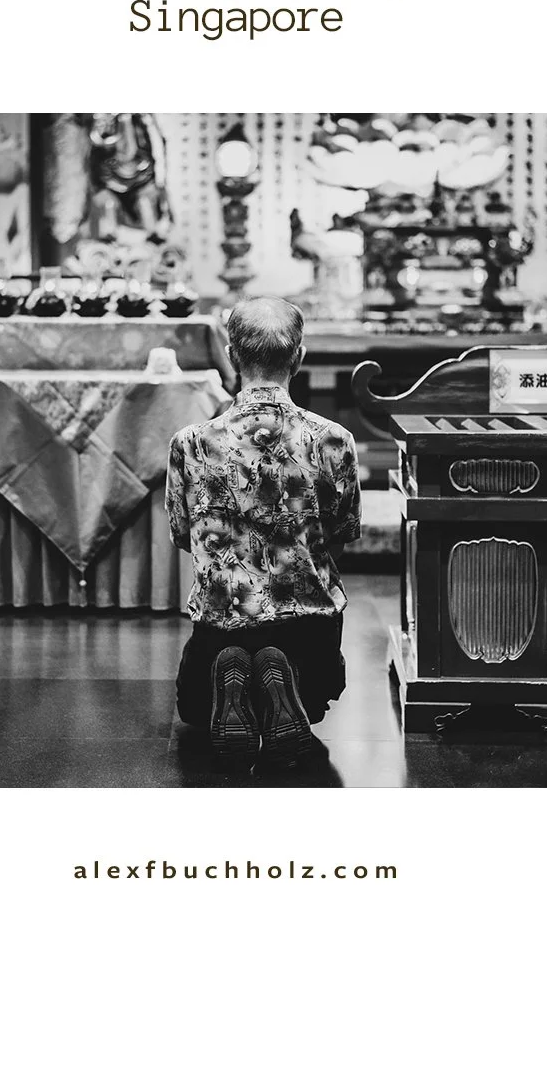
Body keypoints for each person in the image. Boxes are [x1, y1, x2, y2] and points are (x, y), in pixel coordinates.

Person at [165, 296, 362, 767]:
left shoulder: (191, 443)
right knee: (320, 692)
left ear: (232, 356)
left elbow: (180, 533)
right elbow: (342, 533)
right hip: (311, 628)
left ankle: (233, 664)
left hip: (220, 623)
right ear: (299, 356)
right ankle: (285, 671)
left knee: (194, 709)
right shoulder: (334, 439)